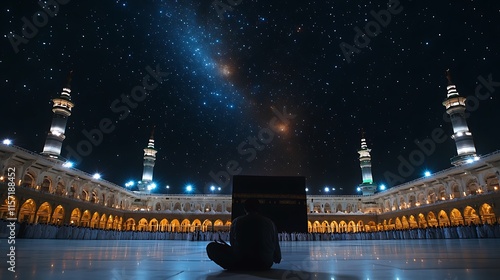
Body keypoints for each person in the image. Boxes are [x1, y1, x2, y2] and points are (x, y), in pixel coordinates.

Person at [206, 198, 281, 270]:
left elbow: (233, 244)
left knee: (211, 247)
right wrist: (275, 257)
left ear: (245, 209)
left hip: (240, 262)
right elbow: (276, 250)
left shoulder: (236, 221)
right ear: (259, 208)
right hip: (264, 263)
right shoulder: (270, 223)